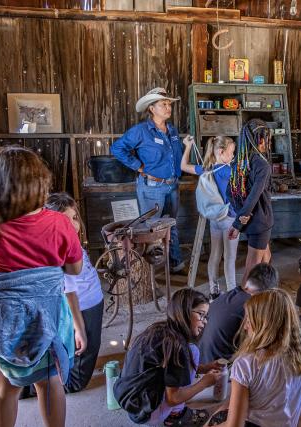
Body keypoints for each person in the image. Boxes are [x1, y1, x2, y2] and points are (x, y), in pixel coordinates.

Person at [0, 146, 82, 427]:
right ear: (39, 184)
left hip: (2, 325)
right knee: (50, 383)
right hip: (47, 323)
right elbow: (74, 269)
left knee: (4, 391)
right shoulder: (57, 223)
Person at [208, 289, 301, 427]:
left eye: (249, 320)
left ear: (263, 324)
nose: (245, 327)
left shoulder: (246, 363)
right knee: (225, 407)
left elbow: (234, 425)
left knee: (216, 416)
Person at [114, 289, 221, 426]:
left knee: (191, 351)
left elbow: (169, 367)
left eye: (206, 316)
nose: (204, 322)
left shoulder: (159, 330)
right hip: (147, 414)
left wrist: (205, 368)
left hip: (133, 405)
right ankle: (175, 415)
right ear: (184, 312)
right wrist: (204, 383)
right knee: (193, 351)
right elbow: (173, 398)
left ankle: (169, 412)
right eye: (201, 314)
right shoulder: (177, 346)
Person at [111, 87, 187, 274]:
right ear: (152, 108)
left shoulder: (172, 130)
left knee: (171, 224)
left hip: (172, 185)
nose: (168, 107)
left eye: (169, 104)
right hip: (152, 188)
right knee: (151, 228)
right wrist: (140, 167)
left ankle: (175, 263)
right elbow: (117, 148)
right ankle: (148, 272)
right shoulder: (141, 131)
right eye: (163, 104)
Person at [45, 192, 104, 393]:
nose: (74, 225)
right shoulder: (60, 248)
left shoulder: (71, 241)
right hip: (83, 308)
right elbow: (69, 294)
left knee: (90, 349)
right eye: (65, 220)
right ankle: (42, 386)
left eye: (75, 218)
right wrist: (79, 330)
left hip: (91, 303)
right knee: (78, 374)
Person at [181, 135, 238, 297]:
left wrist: (188, 146)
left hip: (214, 218)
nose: (233, 156)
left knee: (215, 254)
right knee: (229, 257)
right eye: (231, 152)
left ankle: (214, 290)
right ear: (221, 152)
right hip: (229, 218)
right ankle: (232, 291)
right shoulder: (230, 171)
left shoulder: (206, 169)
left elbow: (183, 166)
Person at [197, 263, 279, 364]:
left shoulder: (230, 295)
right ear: (268, 293)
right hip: (217, 368)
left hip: (201, 358)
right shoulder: (251, 307)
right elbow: (260, 343)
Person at [228, 119, 274, 283]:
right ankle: (241, 302)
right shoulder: (262, 165)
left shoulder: (239, 163)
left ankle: (267, 292)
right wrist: (238, 223)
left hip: (252, 221)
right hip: (260, 222)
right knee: (252, 269)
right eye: (268, 138)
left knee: (266, 258)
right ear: (261, 139)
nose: (269, 142)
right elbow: (254, 196)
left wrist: (240, 216)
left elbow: (230, 192)